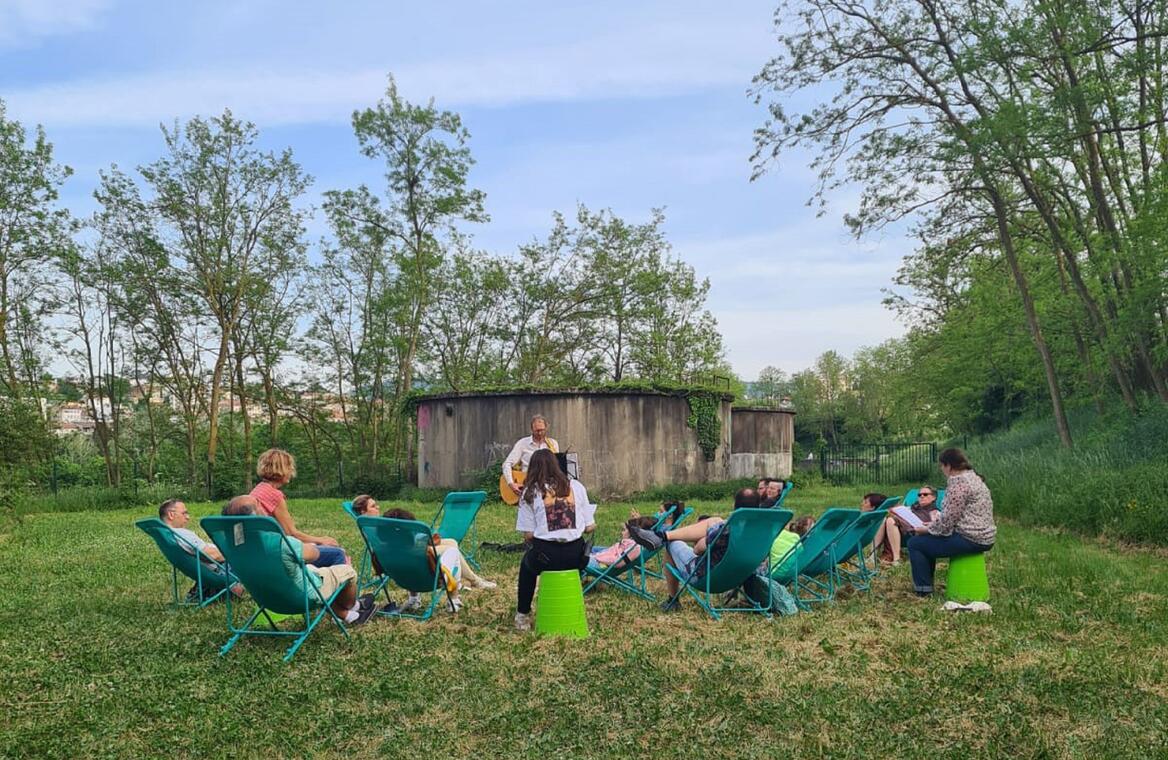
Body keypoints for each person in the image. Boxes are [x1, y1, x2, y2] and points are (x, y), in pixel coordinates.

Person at [222, 495, 374, 625]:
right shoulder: (279, 543)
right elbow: (313, 555)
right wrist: (308, 545)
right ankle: (353, 606)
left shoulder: (232, 549)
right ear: (255, 516)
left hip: (267, 599)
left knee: (312, 570)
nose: (262, 506)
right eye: (258, 503)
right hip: (301, 597)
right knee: (347, 572)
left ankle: (348, 615)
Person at [628, 487, 760, 609]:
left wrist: (707, 536)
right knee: (715, 521)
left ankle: (673, 600)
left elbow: (698, 549)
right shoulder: (764, 531)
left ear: (735, 506)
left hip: (709, 577)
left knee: (671, 542)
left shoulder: (726, 530)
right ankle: (662, 535)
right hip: (740, 576)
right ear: (758, 506)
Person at [514, 449, 596, 631]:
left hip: (546, 557)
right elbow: (591, 526)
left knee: (526, 566)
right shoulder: (576, 486)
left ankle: (523, 615)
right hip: (576, 557)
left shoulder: (530, 491)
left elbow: (528, 535)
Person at [906, 449, 996, 596]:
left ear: (948, 465)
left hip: (971, 538)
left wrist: (927, 529)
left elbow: (947, 522)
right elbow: (952, 518)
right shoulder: (974, 478)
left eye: (941, 466)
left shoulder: (958, 482)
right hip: (984, 536)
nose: (942, 470)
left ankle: (923, 591)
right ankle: (925, 587)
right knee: (926, 540)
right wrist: (933, 526)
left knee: (916, 543)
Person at [249, 448, 349, 568]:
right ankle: (328, 583)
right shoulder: (274, 495)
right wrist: (320, 540)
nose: (292, 470)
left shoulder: (257, 491)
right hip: (276, 554)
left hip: (259, 552)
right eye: (289, 466)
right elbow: (292, 533)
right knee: (338, 554)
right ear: (279, 469)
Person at [158, 498, 243, 600]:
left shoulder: (168, 536)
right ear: (171, 515)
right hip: (223, 570)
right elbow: (212, 556)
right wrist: (237, 552)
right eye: (184, 513)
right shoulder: (181, 534)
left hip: (209, 573)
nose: (188, 517)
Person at [873, 487, 938, 564]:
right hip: (902, 529)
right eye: (919, 495)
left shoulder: (935, 512)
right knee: (883, 519)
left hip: (916, 533)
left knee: (890, 520)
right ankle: (873, 555)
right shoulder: (914, 507)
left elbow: (936, 527)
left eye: (925, 494)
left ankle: (896, 559)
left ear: (934, 497)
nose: (922, 496)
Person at [502, 415, 559, 498]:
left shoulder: (553, 444)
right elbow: (507, 464)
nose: (539, 433)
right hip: (528, 485)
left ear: (546, 428)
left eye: (542, 430)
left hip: (548, 486)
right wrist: (511, 483)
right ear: (532, 429)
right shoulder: (522, 443)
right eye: (537, 431)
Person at [587, 516, 657, 573]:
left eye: (624, 530)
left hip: (602, 565)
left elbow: (617, 562)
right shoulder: (632, 544)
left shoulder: (634, 548)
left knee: (577, 561)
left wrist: (597, 557)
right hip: (603, 560)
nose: (621, 532)